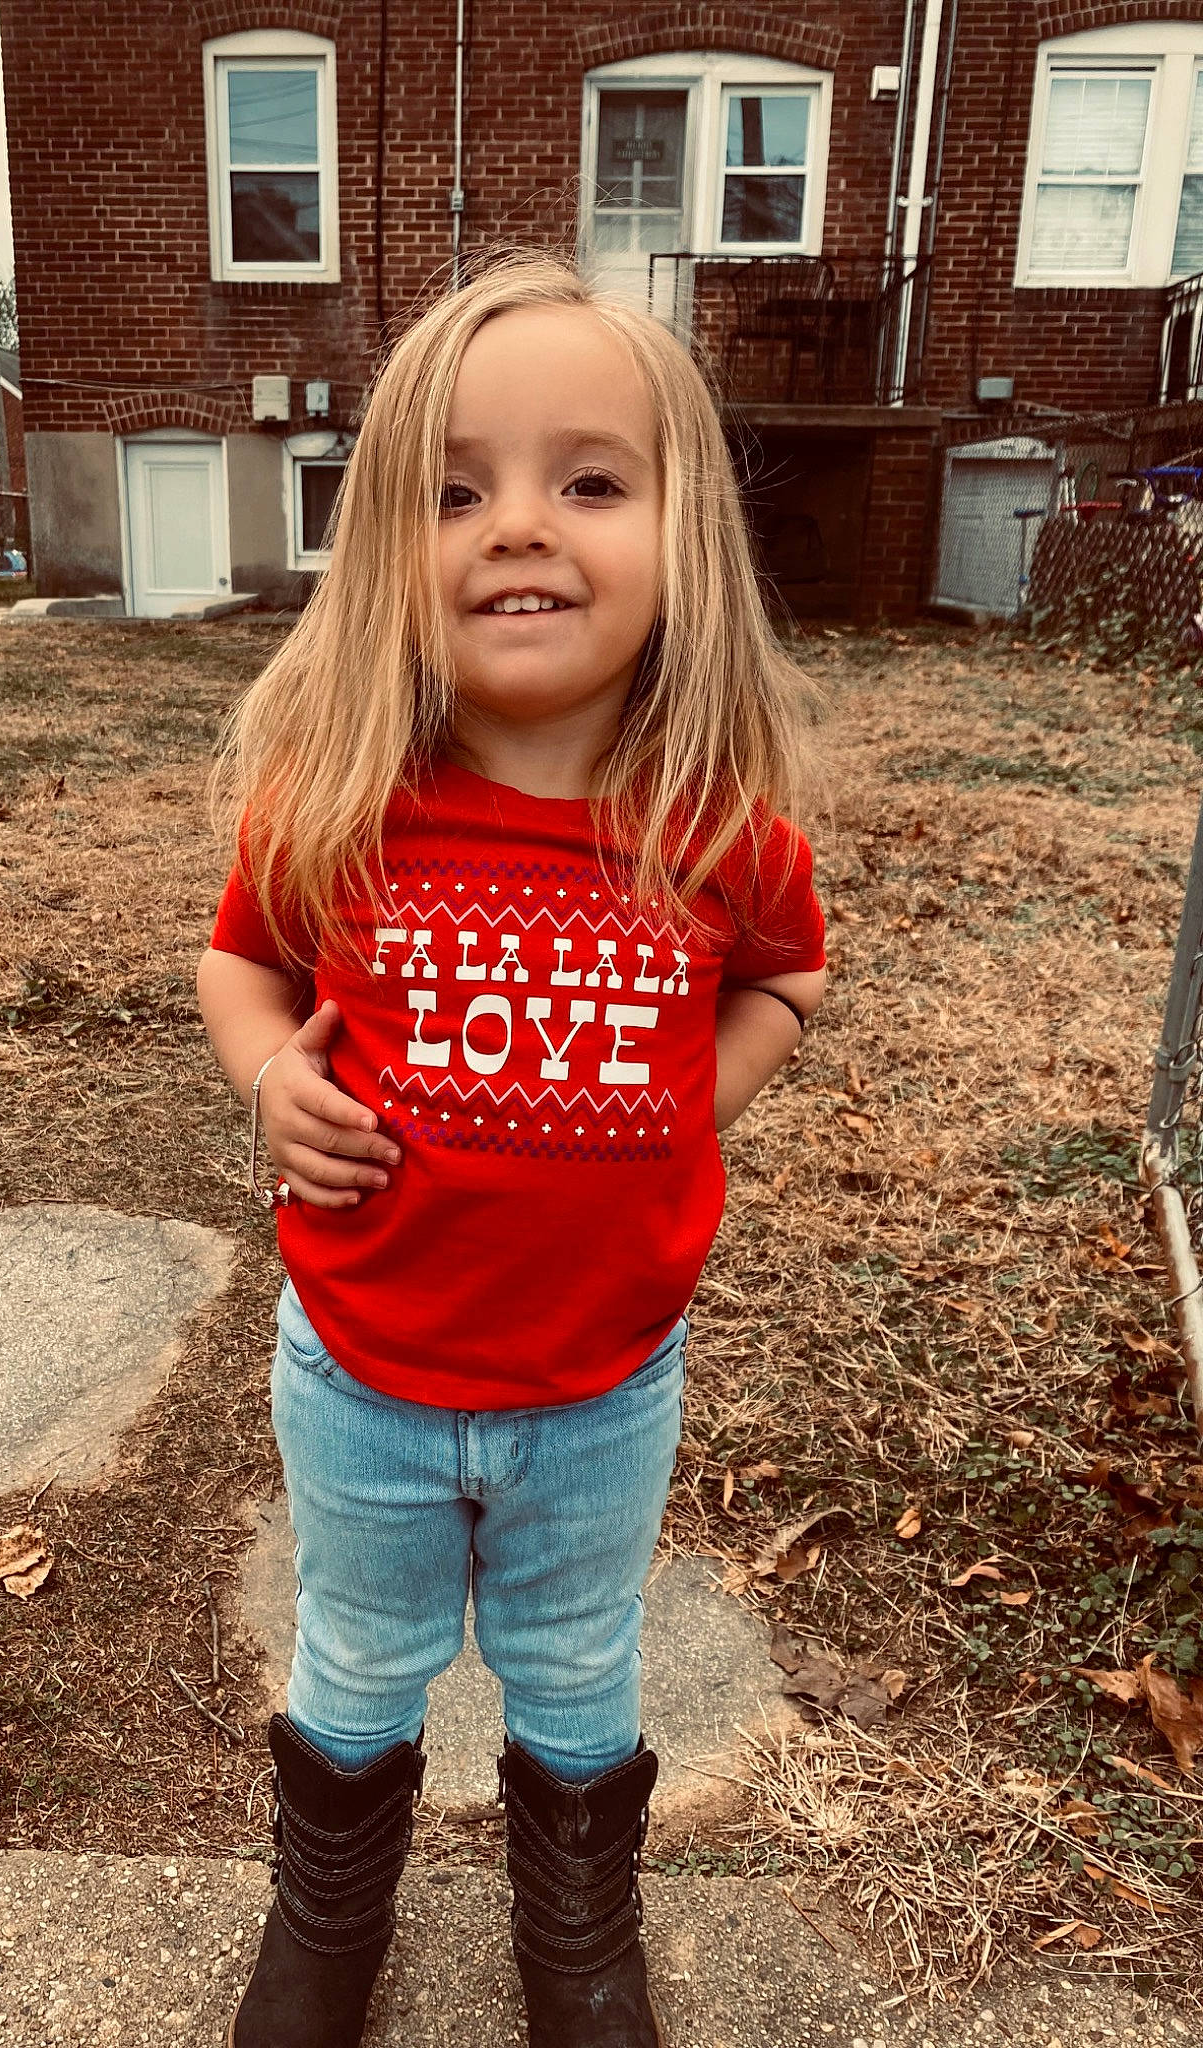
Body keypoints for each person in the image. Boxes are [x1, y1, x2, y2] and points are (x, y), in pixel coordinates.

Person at [197, 248, 829, 2048]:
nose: (517, 527)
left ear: (681, 534)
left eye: (588, 480)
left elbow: (788, 977)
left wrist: (694, 1101)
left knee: (573, 1672)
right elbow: (240, 961)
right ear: (386, 548)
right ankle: (326, 1925)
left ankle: (580, 1941)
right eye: (454, 491)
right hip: (363, 1370)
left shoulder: (714, 823)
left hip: (603, 1382)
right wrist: (266, 1081)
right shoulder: (340, 791)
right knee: (357, 1662)